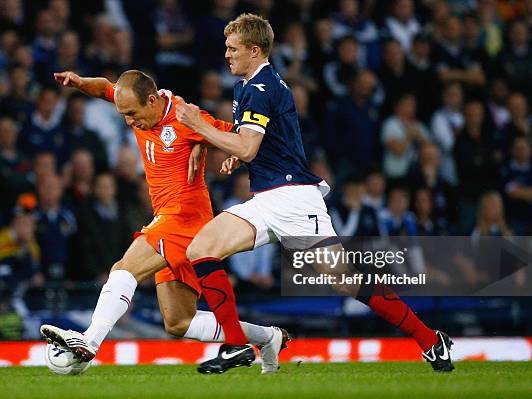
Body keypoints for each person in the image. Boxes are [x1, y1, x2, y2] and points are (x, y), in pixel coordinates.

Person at [175, 13, 453, 374]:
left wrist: (201, 127)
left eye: (233, 49)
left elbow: (249, 148)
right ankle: (235, 345)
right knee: (201, 249)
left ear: (255, 50)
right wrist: (236, 151)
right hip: (267, 197)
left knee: (346, 282)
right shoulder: (249, 84)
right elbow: (262, 142)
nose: (226, 55)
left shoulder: (260, 88)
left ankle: (431, 340)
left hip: (292, 199)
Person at [40, 69, 284, 373]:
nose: (129, 121)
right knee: (179, 322)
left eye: (132, 113)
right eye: (123, 114)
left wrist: (206, 143)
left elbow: (242, 137)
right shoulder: (136, 103)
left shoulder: (186, 117)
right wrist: (78, 83)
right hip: (168, 218)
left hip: (184, 217)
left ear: (152, 100)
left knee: (125, 268)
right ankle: (267, 338)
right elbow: (105, 88)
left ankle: (89, 342)